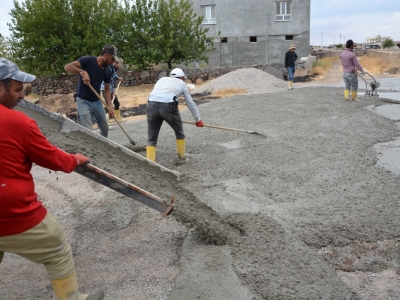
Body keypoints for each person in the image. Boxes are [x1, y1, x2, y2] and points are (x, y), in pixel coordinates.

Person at [0, 58, 103, 299]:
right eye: (16, 90)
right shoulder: (18, 122)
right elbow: (50, 157)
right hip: (10, 211)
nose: (21, 96)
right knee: (56, 247)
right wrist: (73, 159)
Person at [146, 68, 204, 164]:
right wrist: (198, 119)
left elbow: (153, 95)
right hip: (168, 106)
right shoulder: (182, 83)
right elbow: (190, 103)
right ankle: (181, 158)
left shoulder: (161, 80)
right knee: (179, 131)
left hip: (151, 105)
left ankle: (150, 163)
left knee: (151, 137)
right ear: (181, 77)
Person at [65, 44, 119, 138]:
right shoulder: (87, 60)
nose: (112, 62)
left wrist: (110, 107)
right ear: (106, 55)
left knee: (105, 127)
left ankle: (102, 147)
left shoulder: (108, 70)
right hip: (83, 101)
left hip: (97, 101)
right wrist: (83, 72)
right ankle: (90, 151)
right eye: (112, 59)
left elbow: (106, 90)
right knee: (88, 131)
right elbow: (67, 67)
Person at [100, 58, 124, 123]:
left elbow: (114, 75)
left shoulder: (112, 68)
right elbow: (109, 82)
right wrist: (112, 92)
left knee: (116, 103)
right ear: (115, 63)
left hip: (110, 89)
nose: (118, 66)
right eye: (118, 64)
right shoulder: (109, 68)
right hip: (105, 89)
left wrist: (118, 78)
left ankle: (118, 118)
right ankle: (106, 121)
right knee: (108, 104)